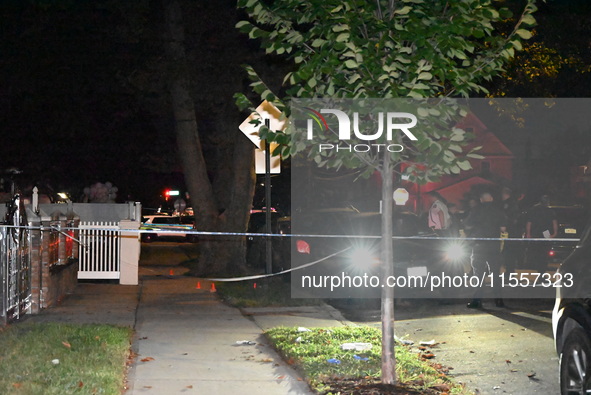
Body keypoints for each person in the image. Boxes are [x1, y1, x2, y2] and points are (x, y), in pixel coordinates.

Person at [464, 192, 507, 308]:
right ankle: (499, 300)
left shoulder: (475, 210)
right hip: (494, 245)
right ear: (491, 199)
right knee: (495, 273)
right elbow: (503, 229)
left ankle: (477, 300)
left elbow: (467, 225)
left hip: (479, 246)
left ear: (481, 200)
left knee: (479, 274)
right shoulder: (498, 211)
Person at [525, 195, 558, 273]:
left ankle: (539, 268)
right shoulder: (550, 211)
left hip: (536, 233)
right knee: (544, 253)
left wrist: (528, 233)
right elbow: (554, 223)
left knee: (536, 252)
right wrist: (554, 234)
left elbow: (529, 223)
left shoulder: (533, 210)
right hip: (546, 233)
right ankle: (542, 269)